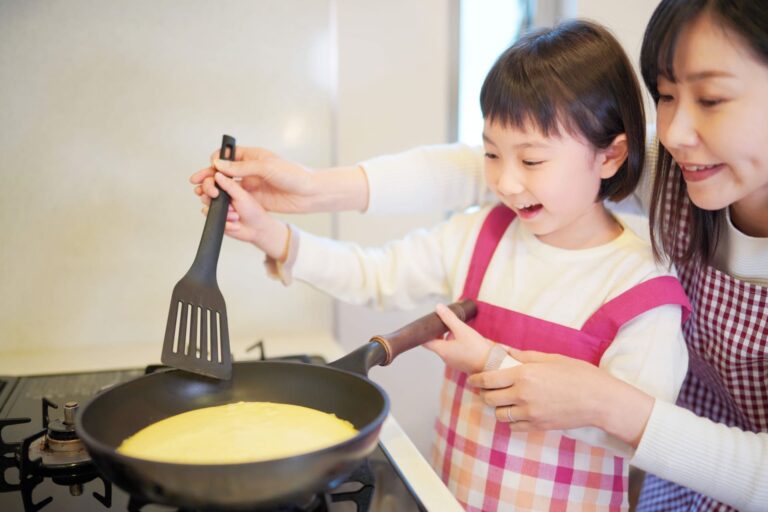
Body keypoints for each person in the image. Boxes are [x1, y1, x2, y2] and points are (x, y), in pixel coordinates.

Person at [191, 1, 768, 510]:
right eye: (665, 97)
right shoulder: (490, 231)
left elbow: (632, 433)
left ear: (610, 157)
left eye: (712, 97)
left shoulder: (642, 284)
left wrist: (495, 364)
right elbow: (381, 269)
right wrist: (284, 231)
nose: (508, 183)